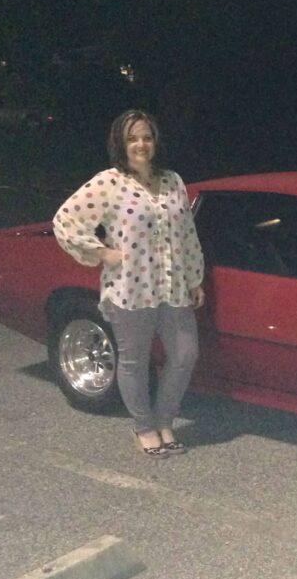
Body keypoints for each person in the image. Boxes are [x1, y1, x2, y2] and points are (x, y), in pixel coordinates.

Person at [53, 109, 205, 458]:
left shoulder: (172, 181)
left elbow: (187, 235)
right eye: (133, 138)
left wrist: (195, 278)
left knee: (184, 354)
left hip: (173, 286)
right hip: (130, 289)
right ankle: (144, 427)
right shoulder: (109, 183)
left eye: (147, 137)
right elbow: (65, 221)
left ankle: (165, 420)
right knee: (135, 360)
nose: (141, 144)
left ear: (155, 142)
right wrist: (102, 252)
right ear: (121, 143)